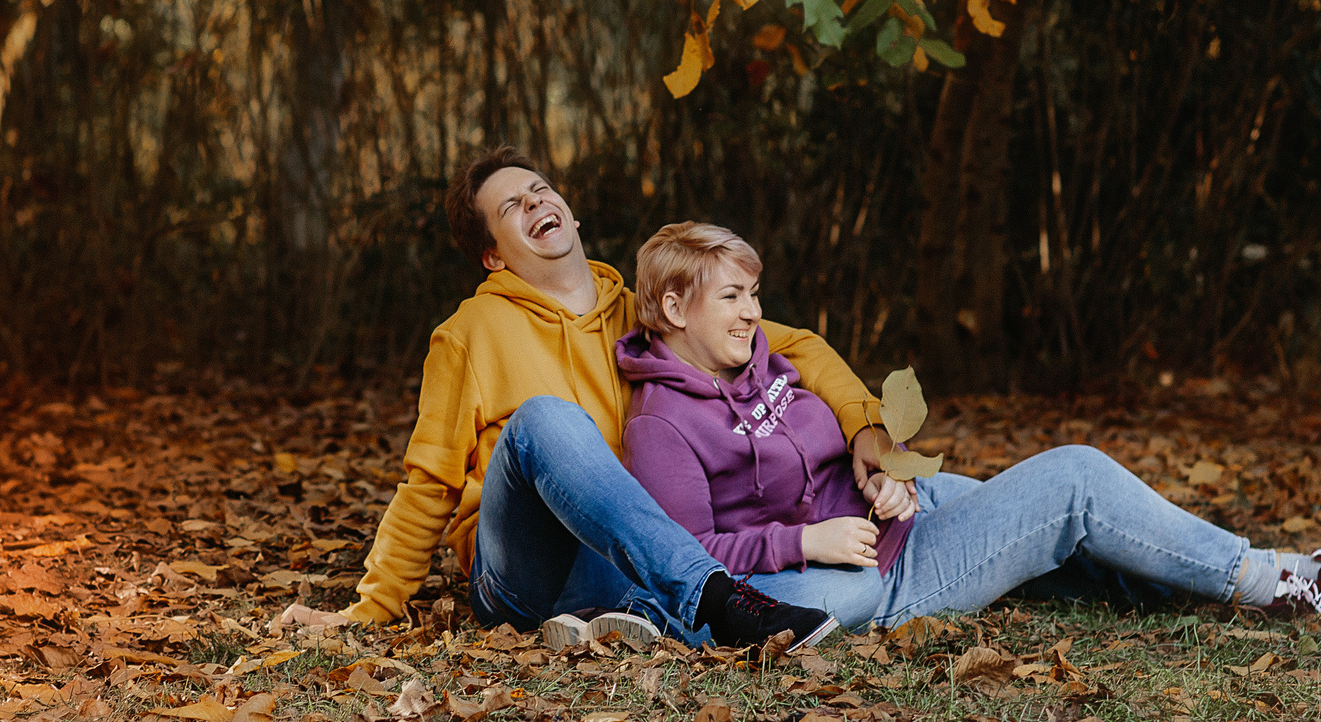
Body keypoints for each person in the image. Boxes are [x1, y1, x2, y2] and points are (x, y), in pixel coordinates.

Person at [613, 222, 1321, 631]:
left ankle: (1303, 569)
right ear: (675, 308)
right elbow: (687, 559)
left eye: (755, 293)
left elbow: (822, 455)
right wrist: (804, 544)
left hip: (897, 519)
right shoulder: (660, 424)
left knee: (1088, 538)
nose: (755, 312)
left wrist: (881, 476)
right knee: (1075, 480)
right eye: (734, 297)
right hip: (884, 579)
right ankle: (1273, 581)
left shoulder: (757, 362)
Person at [269, 149, 887, 651]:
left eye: (539, 188)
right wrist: (372, 609)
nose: (534, 201)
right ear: (492, 256)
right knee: (545, 419)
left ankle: (642, 618)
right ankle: (714, 601)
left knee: (801, 573)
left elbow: (794, 345)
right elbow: (428, 482)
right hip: (526, 571)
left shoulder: (641, 313)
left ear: (570, 212)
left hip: (629, 560)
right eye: (511, 205)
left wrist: (863, 428)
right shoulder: (469, 335)